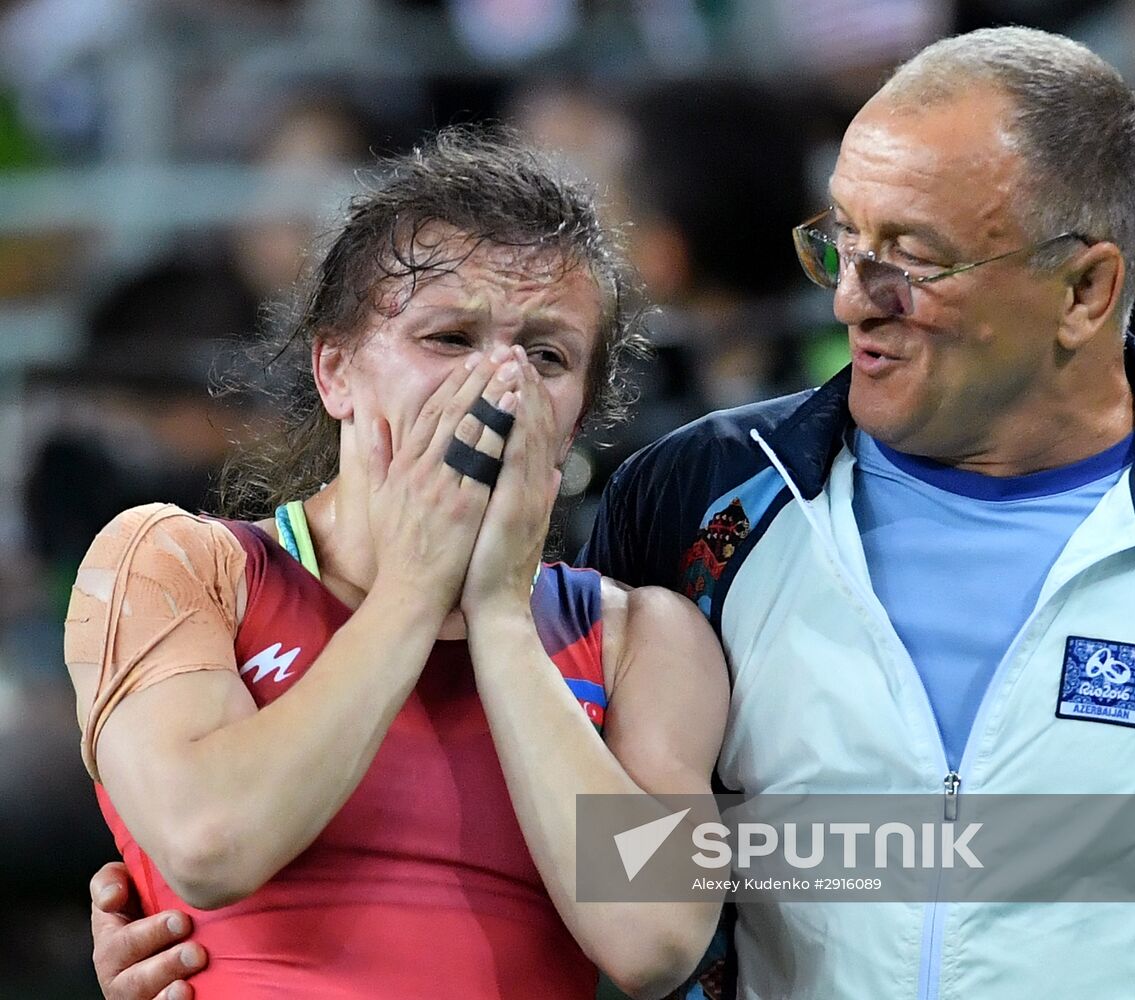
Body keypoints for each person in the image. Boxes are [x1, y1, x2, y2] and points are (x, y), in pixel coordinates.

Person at [91, 24, 1135, 999]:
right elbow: (244, 840)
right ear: (333, 366)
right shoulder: (699, 500)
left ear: (1084, 289)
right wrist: (187, 918)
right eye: (843, 243)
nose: (848, 297)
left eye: (911, 260)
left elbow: (653, 922)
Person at [67, 127, 728, 1000]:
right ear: (335, 371)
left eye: (547, 354)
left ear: (576, 420)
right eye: (449, 337)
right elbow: (210, 843)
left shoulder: (641, 639)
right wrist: (416, 591)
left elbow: (655, 942)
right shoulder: (180, 563)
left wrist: (497, 617)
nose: (501, 385)